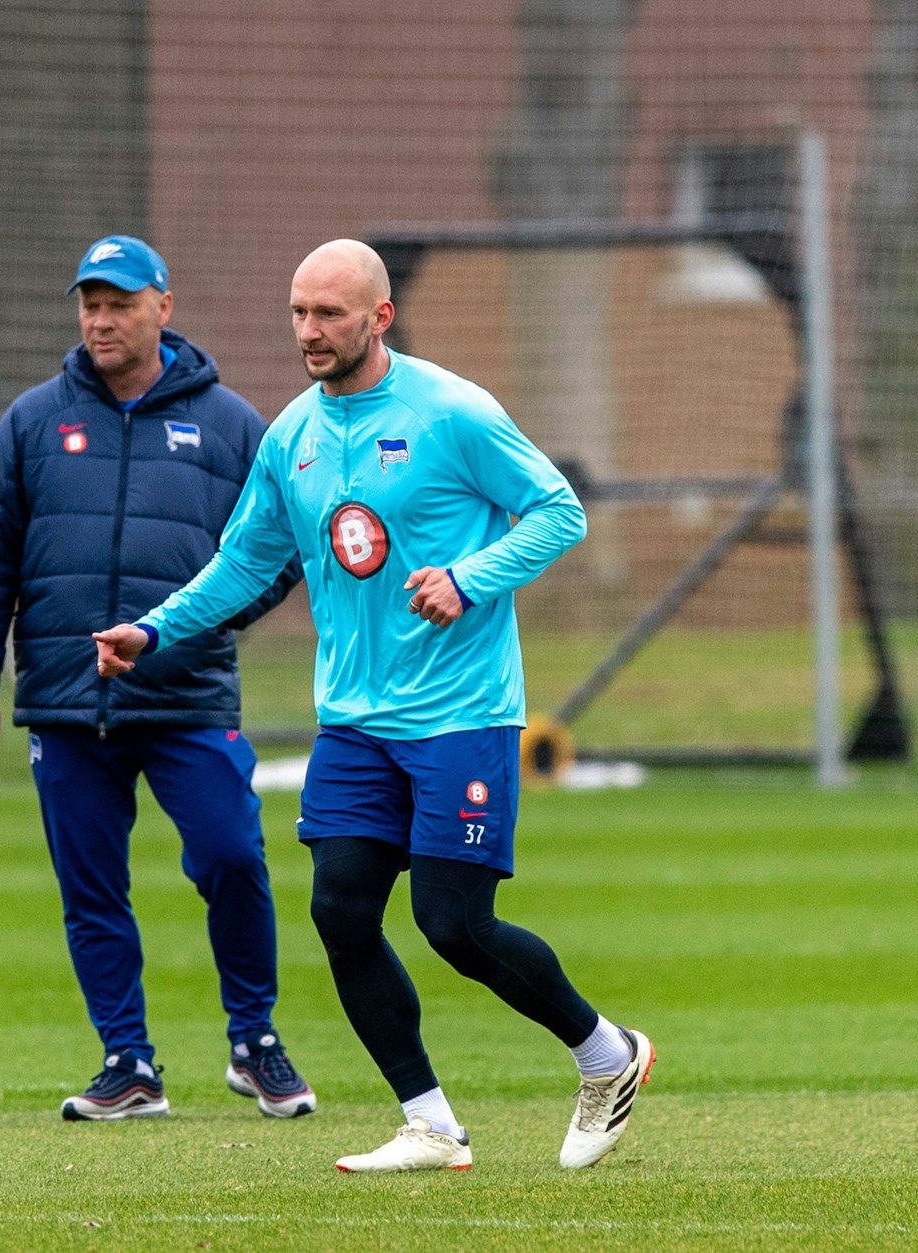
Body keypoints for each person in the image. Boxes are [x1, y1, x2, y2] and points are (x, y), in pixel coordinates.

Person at [94, 239, 653, 1171]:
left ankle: (607, 1053)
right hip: (355, 723)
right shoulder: (292, 436)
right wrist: (154, 630)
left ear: (380, 317)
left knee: (454, 925)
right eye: (298, 312)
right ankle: (429, 1122)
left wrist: (469, 578)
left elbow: (559, 511)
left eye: (330, 314)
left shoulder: (451, 411)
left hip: (462, 711)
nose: (309, 331)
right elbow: (244, 561)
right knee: (342, 911)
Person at [0, 234, 313, 1123]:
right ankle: (128, 1060)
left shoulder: (230, 425)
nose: (102, 320)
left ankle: (254, 1039)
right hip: (67, 701)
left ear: (163, 307)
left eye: (120, 303)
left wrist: (202, 624)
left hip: (189, 696)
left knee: (232, 857)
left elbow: (284, 548)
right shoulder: (32, 422)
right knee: (91, 888)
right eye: (91, 304)